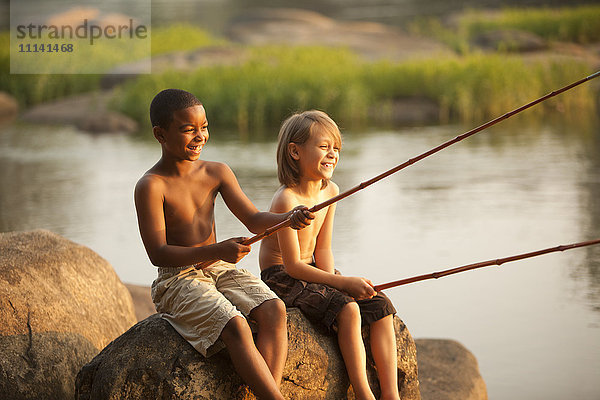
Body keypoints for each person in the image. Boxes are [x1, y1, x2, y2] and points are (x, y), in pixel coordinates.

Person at [134, 89, 314, 400]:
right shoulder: (151, 185)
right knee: (236, 325)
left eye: (203, 127)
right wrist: (217, 250)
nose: (199, 136)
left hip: (218, 269)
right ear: (160, 134)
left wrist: (288, 217)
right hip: (178, 279)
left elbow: (255, 218)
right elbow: (157, 253)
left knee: (274, 309)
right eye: (188, 129)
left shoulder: (216, 171)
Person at [259, 110, 400, 400]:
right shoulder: (286, 199)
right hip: (283, 276)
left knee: (380, 306)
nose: (332, 154)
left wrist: (337, 280)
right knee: (347, 309)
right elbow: (293, 266)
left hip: (312, 268)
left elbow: (323, 249)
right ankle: (363, 393)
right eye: (324, 147)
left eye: (336, 148)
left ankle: (390, 393)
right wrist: (341, 285)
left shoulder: (330, 191)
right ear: (295, 151)